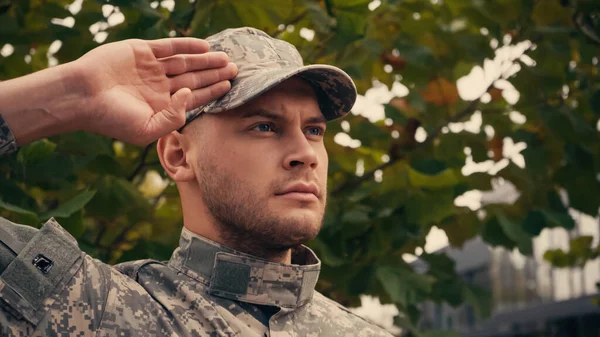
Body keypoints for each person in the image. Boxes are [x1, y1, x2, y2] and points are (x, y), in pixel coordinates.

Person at [0, 27, 393, 336]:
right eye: (264, 126)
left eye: (314, 130)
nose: (305, 154)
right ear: (178, 155)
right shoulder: (92, 307)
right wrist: (74, 92)